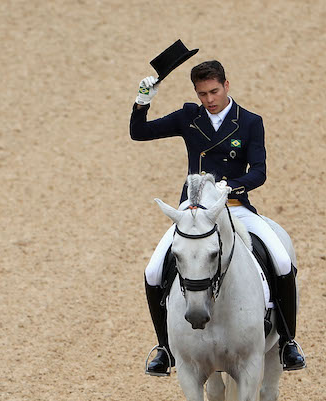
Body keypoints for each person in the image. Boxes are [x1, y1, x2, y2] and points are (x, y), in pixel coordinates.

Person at [130, 60, 306, 375]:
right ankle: (164, 348)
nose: (209, 100)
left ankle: (287, 342)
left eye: (213, 91)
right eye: (202, 94)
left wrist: (231, 187)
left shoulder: (250, 122)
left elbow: (260, 171)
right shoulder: (189, 117)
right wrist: (143, 101)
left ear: (226, 85)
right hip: (195, 211)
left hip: (234, 206)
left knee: (281, 260)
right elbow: (139, 133)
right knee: (153, 269)